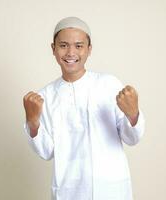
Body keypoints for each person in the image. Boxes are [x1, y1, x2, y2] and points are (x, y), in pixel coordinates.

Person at [23, 16, 145, 200]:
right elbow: (46, 152)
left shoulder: (108, 85)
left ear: (89, 49)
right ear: (53, 49)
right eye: (63, 45)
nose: (71, 52)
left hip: (111, 188)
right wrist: (33, 122)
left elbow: (132, 138)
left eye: (78, 46)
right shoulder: (45, 97)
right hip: (69, 189)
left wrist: (133, 114)